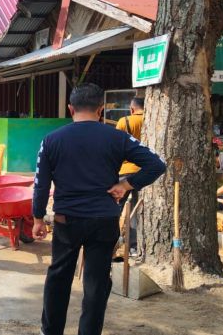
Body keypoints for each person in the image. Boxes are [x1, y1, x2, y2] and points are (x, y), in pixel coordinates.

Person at [31, 83, 166, 335]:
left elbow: (40, 184)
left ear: (70, 108)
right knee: (96, 282)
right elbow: (157, 164)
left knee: (59, 276)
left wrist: (38, 217)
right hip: (104, 220)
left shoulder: (51, 140)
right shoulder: (117, 137)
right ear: (101, 109)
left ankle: (50, 331)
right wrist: (126, 184)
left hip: (66, 220)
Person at [115, 97, 144, 256]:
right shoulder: (150, 120)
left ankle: (112, 242)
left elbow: (116, 147)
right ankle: (135, 247)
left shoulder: (124, 121)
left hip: (125, 171)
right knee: (137, 210)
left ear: (132, 109)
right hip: (144, 172)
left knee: (116, 208)